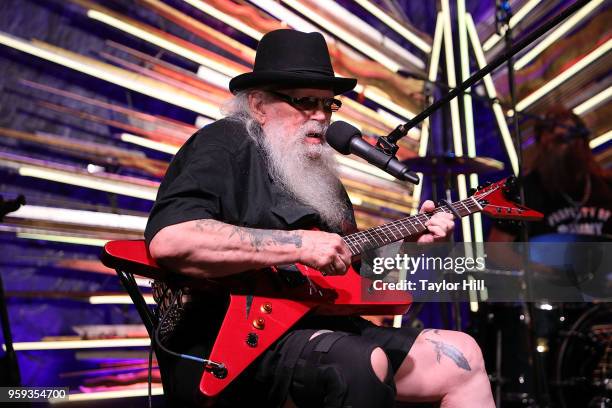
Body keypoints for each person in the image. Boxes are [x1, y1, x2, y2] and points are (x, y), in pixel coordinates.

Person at [145, 29, 494, 408]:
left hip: (320, 324)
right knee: (362, 362)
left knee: (464, 355)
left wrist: (410, 248)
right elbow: (171, 239)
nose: (320, 117)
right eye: (305, 102)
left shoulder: (321, 178)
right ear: (259, 105)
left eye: (329, 105)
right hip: (232, 341)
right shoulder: (223, 144)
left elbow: (349, 275)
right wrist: (298, 244)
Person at [489, 105, 612, 241]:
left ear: (583, 142)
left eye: (567, 137)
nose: (562, 142)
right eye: (555, 138)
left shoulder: (606, 186)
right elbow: (496, 249)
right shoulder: (523, 190)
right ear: (542, 144)